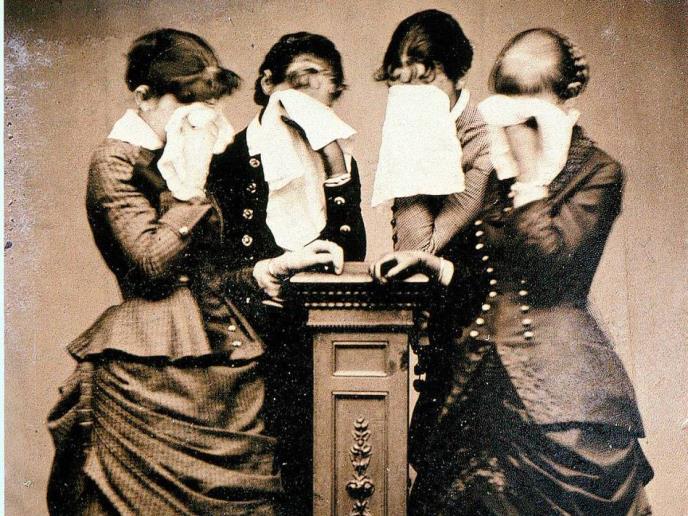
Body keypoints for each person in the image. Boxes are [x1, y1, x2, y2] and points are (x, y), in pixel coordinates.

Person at [46, 28, 344, 515]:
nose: (198, 118)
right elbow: (151, 265)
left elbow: (207, 277)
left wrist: (270, 267)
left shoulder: (183, 157)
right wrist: (188, 192)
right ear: (144, 97)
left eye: (205, 104)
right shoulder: (115, 159)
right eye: (184, 102)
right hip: (148, 374)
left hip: (222, 362)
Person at [371, 28, 652, 515]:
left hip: (559, 390)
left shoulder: (598, 172)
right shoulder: (500, 171)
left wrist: (531, 179)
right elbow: (490, 274)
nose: (515, 122)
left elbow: (552, 269)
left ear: (565, 97)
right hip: (477, 378)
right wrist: (435, 265)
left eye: (530, 103)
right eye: (508, 101)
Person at [209, 32, 366, 514]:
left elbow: (350, 253)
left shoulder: (337, 162)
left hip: (315, 339)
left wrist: (333, 157)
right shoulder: (228, 157)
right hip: (247, 338)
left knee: (317, 470)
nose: (310, 96)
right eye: (300, 80)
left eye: (324, 86)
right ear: (267, 84)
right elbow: (212, 267)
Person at [372, 9, 491, 255]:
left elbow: (418, 250)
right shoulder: (408, 133)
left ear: (460, 76)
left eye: (424, 84)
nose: (411, 100)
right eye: (401, 87)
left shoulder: (485, 144)